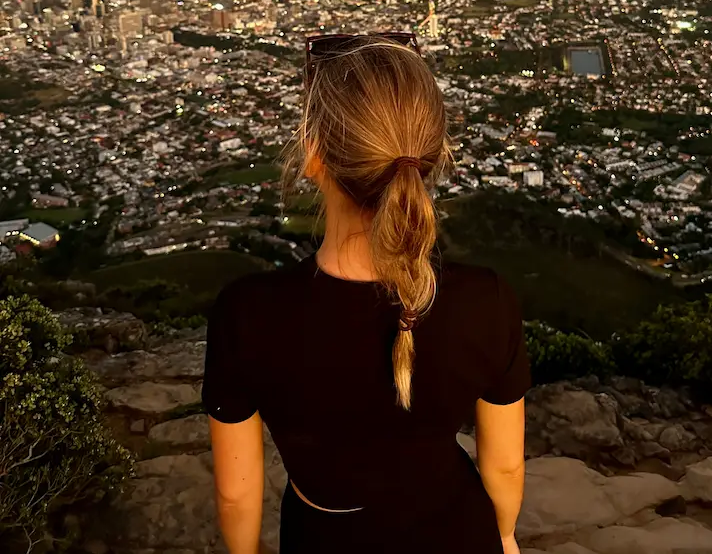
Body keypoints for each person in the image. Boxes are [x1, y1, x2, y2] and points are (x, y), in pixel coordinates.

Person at [202, 33, 531, 554]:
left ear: (313, 156)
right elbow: (506, 463)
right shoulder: (485, 300)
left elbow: (236, 495)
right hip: (458, 530)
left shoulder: (248, 314)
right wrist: (506, 535)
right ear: (433, 154)